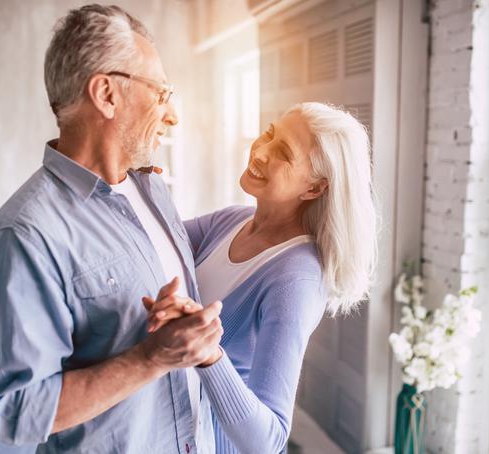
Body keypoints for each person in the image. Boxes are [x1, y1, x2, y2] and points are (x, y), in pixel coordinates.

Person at [0, 5, 222, 453]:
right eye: (161, 92)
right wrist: (152, 358)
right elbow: (18, 412)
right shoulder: (24, 235)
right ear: (106, 94)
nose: (172, 115)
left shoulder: (152, 188)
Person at [145, 102, 378, 453]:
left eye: (283, 152)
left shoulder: (295, 280)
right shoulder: (231, 221)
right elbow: (151, 247)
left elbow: (268, 441)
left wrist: (209, 354)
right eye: (269, 133)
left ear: (314, 189)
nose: (261, 150)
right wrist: (146, 194)